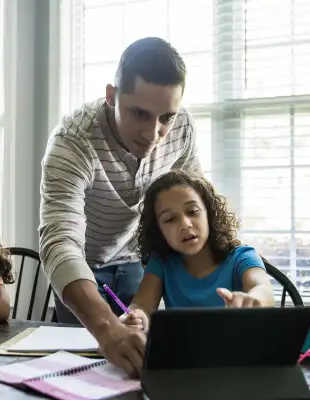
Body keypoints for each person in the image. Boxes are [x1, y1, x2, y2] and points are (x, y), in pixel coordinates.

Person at [39, 37, 202, 377]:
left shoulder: (182, 127)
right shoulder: (73, 140)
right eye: (139, 114)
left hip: (136, 263)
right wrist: (106, 328)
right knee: (85, 373)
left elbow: (194, 202)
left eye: (165, 118)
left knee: (140, 366)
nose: (153, 133)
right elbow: (60, 242)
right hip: (80, 270)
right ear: (112, 96)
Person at [120, 170, 275, 333]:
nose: (185, 224)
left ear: (209, 213)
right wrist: (135, 317)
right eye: (170, 219)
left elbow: (263, 289)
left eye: (193, 212)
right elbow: (142, 305)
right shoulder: (161, 262)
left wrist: (253, 300)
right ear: (158, 230)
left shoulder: (242, 256)